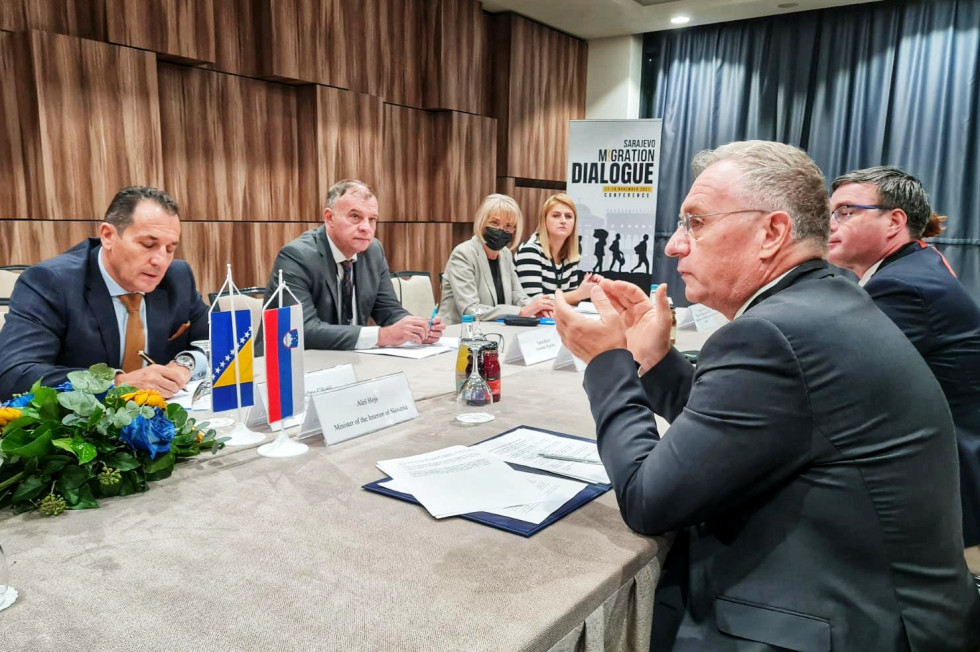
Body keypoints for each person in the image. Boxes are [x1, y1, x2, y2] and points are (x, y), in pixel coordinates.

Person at [554, 140, 980, 650]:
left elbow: (649, 500)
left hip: (847, 624)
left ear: (772, 232)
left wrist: (607, 363)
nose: (674, 245)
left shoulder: (774, 333)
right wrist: (654, 360)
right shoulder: (822, 302)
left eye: (696, 222)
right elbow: (751, 422)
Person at [828, 165, 980, 582]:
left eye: (844, 212)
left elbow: (839, 385)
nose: (830, 224)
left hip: (951, 488)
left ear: (894, 221)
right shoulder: (915, 266)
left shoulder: (901, 287)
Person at [0, 186, 208, 400]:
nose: (160, 261)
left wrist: (185, 364)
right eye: (148, 244)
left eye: (170, 249)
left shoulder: (177, 277)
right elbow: (14, 375)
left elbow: (227, 340)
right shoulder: (51, 282)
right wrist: (118, 384)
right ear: (108, 236)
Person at [265, 179, 444, 350]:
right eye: (355, 216)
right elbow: (301, 331)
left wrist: (415, 329)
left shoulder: (373, 250)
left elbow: (388, 309)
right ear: (329, 218)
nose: (366, 227)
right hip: (288, 368)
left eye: (372, 219)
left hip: (351, 361)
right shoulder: (297, 256)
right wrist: (382, 336)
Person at [438, 194, 553, 324]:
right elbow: (470, 310)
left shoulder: (505, 254)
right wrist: (520, 312)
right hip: (458, 333)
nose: (501, 230)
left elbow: (517, 295)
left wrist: (537, 307)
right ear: (481, 222)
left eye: (508, 226)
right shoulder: (463, 254)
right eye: (494, 223)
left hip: (494, 331)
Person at [515, 193, 601, 305]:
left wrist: (586, 288)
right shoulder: (530, 250)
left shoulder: (572, 256)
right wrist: (579, 293)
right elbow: (535, 302)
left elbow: (572, 302)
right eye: (556, 216)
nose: (563, 221)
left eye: (568, 216)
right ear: (544, 220)